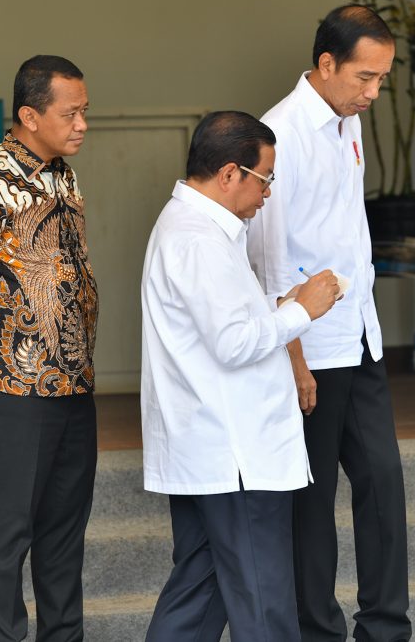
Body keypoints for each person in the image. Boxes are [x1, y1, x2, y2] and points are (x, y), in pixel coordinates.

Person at [140, 111, 340, 641]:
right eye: (265, 179)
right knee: (265, 605)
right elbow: (232, 343)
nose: (268, 193)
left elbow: (226, 323)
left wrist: (280, 303)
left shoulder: (198, 228)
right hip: (235, 456)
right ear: (231, 173)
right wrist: (304, 311)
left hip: (219, 452)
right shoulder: (199, 238)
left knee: (198, 600)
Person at [246, 4, 411, 642]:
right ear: (325, 64)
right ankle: (317, 631)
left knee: (383, 487)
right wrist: (293, 360)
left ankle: (385, 628)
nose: (374, 92)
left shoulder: (348, 121)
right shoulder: (277, 136)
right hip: (310, 351)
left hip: (359, 338)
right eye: (365, 78)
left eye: (381, 79)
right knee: (310, 507)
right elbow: (268, 260)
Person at [0, 55, 97, 641]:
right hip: (12, 385)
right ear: (30, 115)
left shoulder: (62, 175)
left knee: (64, 531)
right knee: (10, 532)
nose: (82, 124)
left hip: (73, 383)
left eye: (85, 112)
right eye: (71, 113)